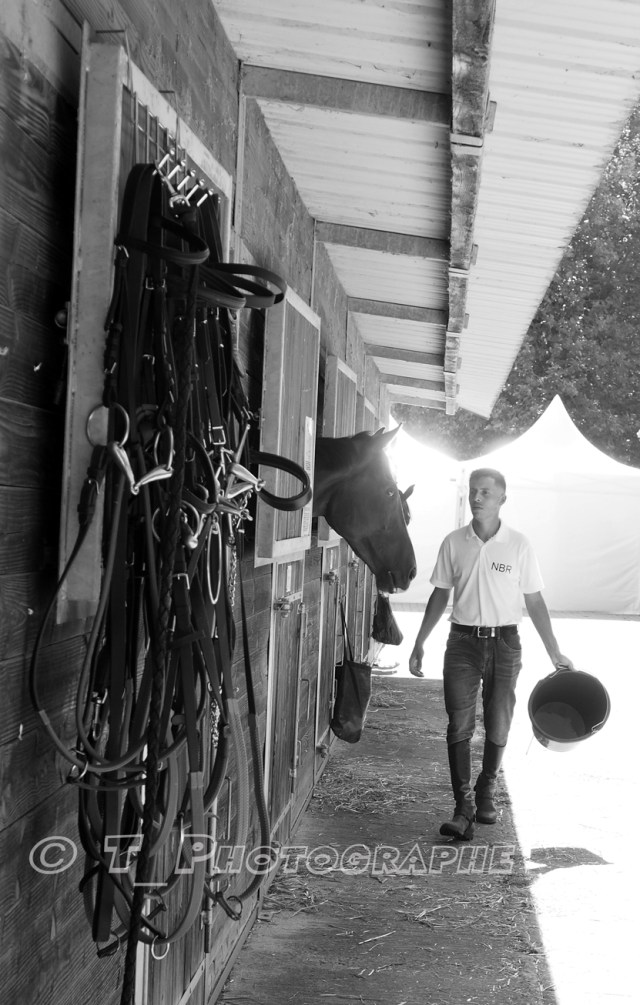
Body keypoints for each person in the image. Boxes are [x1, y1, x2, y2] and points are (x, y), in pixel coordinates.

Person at [409, 467, 573, 840]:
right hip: (462, 643)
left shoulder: (519, 545)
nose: (477, 497)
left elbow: (534, 600)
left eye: (485, 492)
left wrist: (554, 651)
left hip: (505, 644)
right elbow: (440, 593)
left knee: (498, 723)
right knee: (459, 724)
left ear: (502, 498)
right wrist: (419, 641)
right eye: (473, 491)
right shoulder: (454, 542)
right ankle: (463, 808)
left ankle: (486, 788)